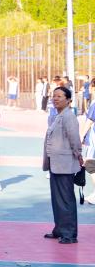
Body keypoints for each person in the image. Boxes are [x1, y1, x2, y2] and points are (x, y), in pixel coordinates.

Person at [43, 86, 83, 244]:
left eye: (59, 96)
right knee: (57, 199)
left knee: (65, 200)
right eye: (54, 96)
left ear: (68, 100)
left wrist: (78, 155)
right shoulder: (58, 116)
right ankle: (60, 229)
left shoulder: (68, 117)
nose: (55, 98)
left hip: (65, 164)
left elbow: (75, 139)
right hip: (57, 164)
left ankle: (69, 234)